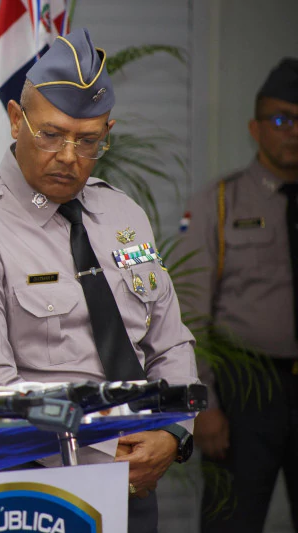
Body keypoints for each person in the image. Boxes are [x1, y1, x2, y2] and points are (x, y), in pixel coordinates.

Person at [0, 28, 198, 532]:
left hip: (137, 484)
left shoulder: (123, 215)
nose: (69, 156)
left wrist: (174, 432)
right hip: (35, 491)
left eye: (88, 141)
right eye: (51, 134)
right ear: (15, 120)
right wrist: (111, 451)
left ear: (107, 132)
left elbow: (169, 341)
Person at [176, 58, 298, 532]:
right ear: (255, 128)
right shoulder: (219, 202)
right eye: (282, 120)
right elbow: (188, 311)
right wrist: (204, 405)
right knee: (231, 522)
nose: (294, 131)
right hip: (246, 392)